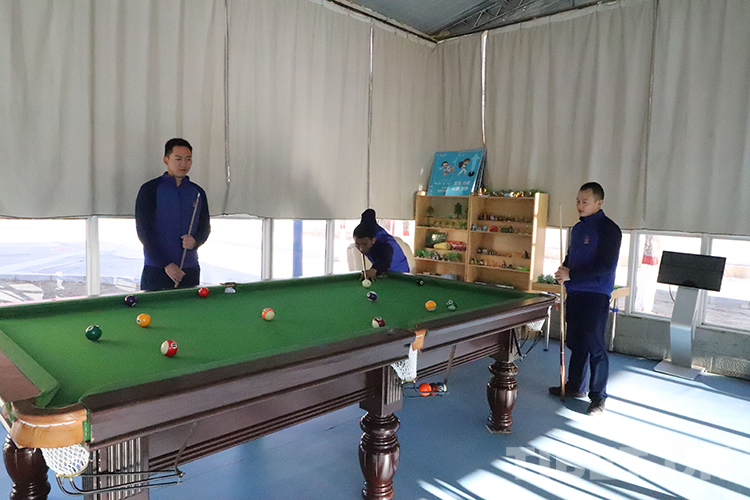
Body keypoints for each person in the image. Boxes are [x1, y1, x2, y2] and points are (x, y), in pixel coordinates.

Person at [550, 182, 621, 416]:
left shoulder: (610, 229)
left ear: (599, 203)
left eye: (585, 202)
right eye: (578, 201)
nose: (580, 205)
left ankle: (598, 397)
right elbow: (571, 257)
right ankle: (574, 386)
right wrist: (564, 270)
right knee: (576, 342)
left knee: (595, 345)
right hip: (575, 292)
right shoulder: (578, 229)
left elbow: (606, 265)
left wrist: (572, 275)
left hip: (596, 294)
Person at [136, 138, 211, 291]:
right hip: (157, 269)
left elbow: (205, 227)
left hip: (189, 269)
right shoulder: (150, 189)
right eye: (178, 159)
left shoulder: (197, 192)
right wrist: (166, 264)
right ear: (166, 159)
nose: (184, 164)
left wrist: (196, 241)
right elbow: (144, 232)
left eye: (188, 159)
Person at [353, 209, 410, 280]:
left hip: (400, 275)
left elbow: (385, 258)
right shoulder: (365, 230)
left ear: (373, 240)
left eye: (365, 244)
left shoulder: (383, 243)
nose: (361, 248)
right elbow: (369, 214)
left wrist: (374, 268)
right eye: (357, 244)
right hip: (386, 271)